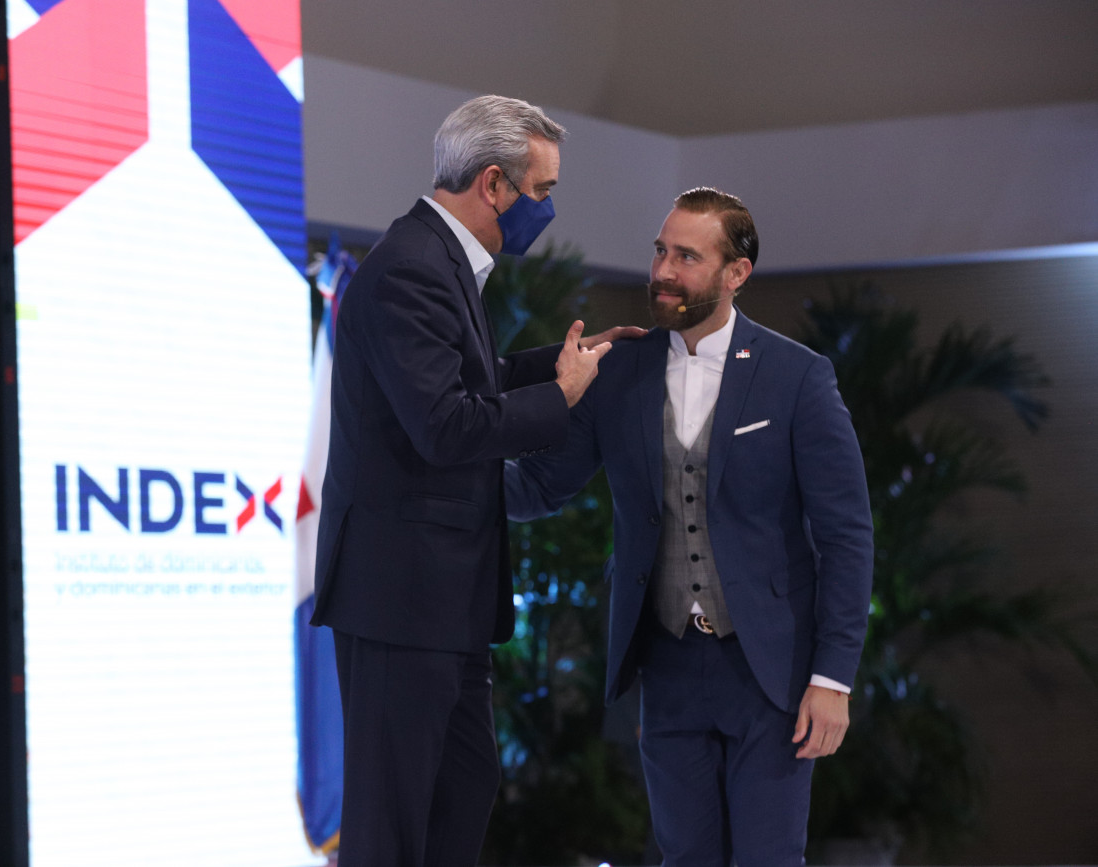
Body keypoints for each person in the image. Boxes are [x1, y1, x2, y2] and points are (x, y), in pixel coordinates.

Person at [309, 95, 642, 867]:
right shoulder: (411, 268)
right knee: (393, 822)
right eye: (541, 189)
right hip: (401, 598)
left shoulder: (441, 261)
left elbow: (476, 377)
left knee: (462, 785)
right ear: (494, 183)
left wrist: (573, 361)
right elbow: (447, 424)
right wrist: (560, 397)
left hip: (443, 602)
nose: (546, 208)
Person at [506, 187, 873, 865]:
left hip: (771, 670)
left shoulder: (797, 376)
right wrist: (441, 470)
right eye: (660, 252)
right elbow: (538, 487)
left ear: (737, 272)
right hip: (667, 664)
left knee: (768, 859)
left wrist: (833, 678)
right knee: (684, 857)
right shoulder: (620, 373)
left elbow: (846, 534)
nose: (664, 271)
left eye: (686, 257)